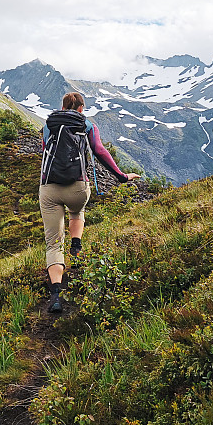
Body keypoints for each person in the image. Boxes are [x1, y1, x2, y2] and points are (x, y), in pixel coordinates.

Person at [40, 92, 139, 313]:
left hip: (49, 187)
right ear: (81, 109)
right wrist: (122, 176)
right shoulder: (87, 126)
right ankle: (76, 246)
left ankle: (56, 294)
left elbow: (45, 151)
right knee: (77, 210)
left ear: (63, 106)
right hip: (78, 186)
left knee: (53, 243)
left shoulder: (48, 126)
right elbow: (100, 152)